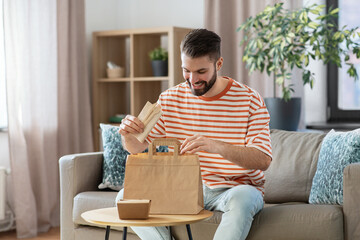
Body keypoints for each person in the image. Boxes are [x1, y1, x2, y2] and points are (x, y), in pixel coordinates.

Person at [117, 28, 272, 240]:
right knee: (125, 196)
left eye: (201, 71)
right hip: (183, 185)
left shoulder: (250, 100)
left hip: (235, 189)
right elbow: (138, 147)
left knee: (244, 198)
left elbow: (262, 159)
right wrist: (127, 136)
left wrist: (215, 145)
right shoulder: (170, 99)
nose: (192, 79)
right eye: (186, 70)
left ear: (218, 64)